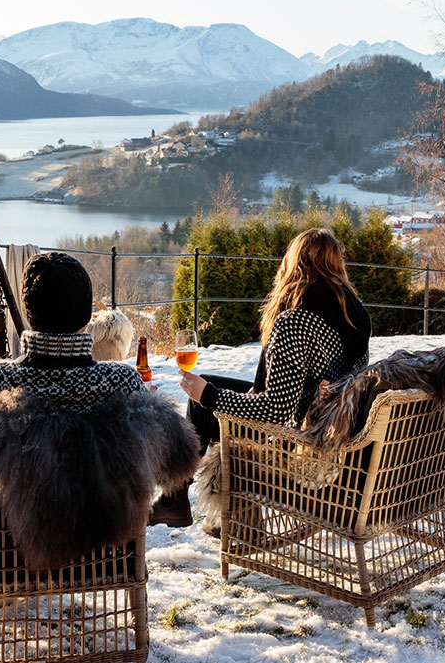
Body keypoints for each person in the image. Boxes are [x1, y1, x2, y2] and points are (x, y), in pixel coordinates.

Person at [0, 251, 199, 571]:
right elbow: (179, 461)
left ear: (28, 312)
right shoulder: (121, 381)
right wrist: (149, 415)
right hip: (103, 557)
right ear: (88, 316)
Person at [150, 227, 371, 530]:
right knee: (208, 382)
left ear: (294, 263)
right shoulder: (354, 313)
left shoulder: (297, 319)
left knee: (202, 403)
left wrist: (209, 396)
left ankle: (176, 503)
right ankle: (211, 511)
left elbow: (275, 410)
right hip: (329, 424)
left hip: (298, 435)